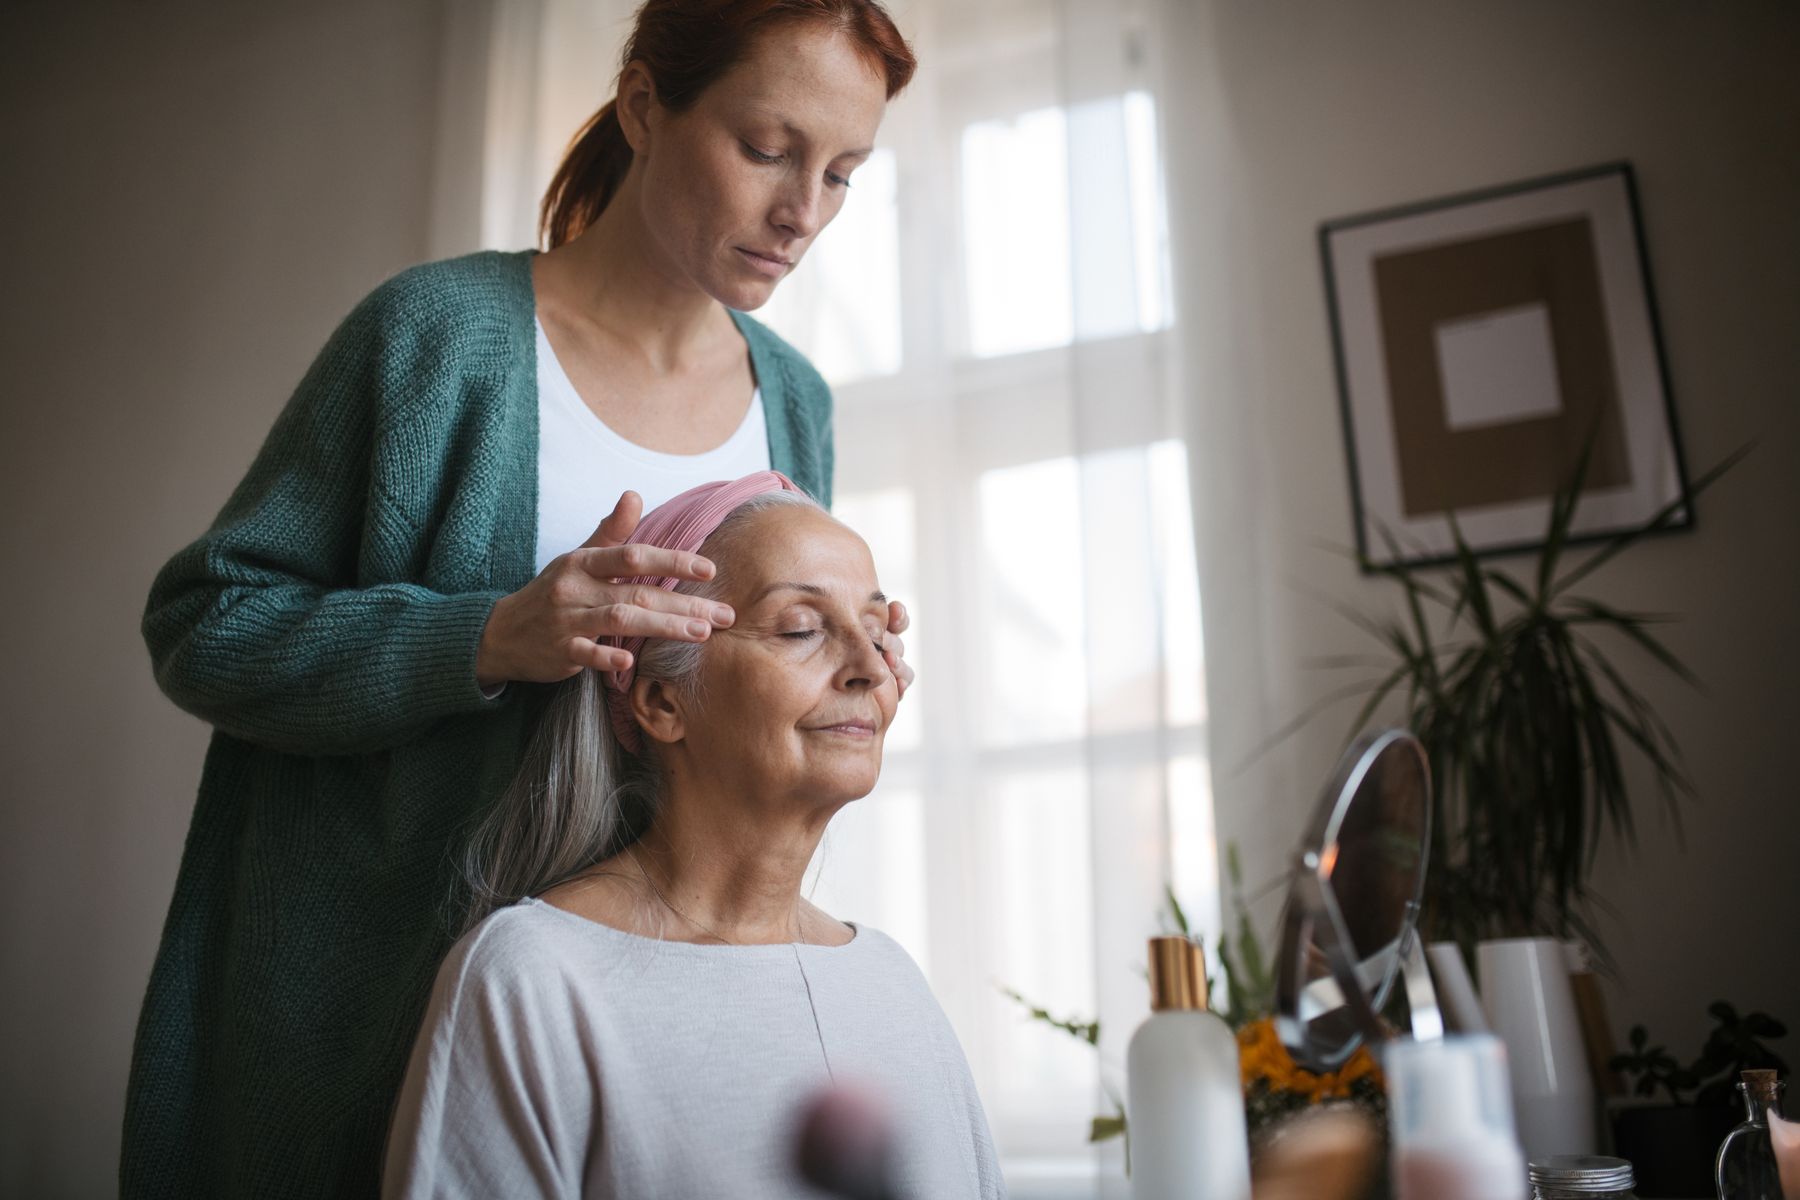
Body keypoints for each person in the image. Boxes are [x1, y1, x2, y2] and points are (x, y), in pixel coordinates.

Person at [121, 3, 916, 1196]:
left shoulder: (795, 402)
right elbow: (203, 625)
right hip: (364, 1020)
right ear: (646, 106)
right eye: (767, 149)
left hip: (636, 1042)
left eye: (843, 172)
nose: (804, 209)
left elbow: (730, 737)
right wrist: (489, 634)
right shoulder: (436, 340)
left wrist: (837, 660)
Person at [382, 473, 1003, 1199]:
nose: (870, 669)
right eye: (801, 628)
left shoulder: (891, 984)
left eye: (876, 633)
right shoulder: (534, 980)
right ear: (661, 699)